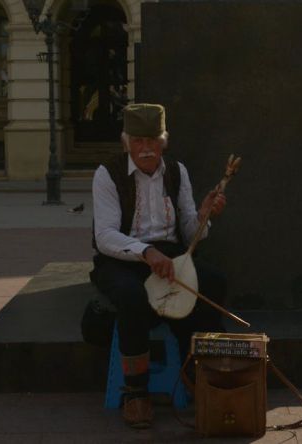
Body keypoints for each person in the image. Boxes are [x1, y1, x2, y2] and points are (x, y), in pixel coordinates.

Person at [91, 103, 227, 429]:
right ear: (126, 143)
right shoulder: (107, 174)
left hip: (170, 257)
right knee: (131, 295)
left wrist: (205, 215)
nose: (146, 149)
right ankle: (135, 393)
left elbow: (191, 233)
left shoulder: (177, 172)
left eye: (153, 140)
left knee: (212, 282)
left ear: (163, 141)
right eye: (138, 141)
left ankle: (197, 374)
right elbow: (105, 235)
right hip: (122, 258)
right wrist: (146, 253)